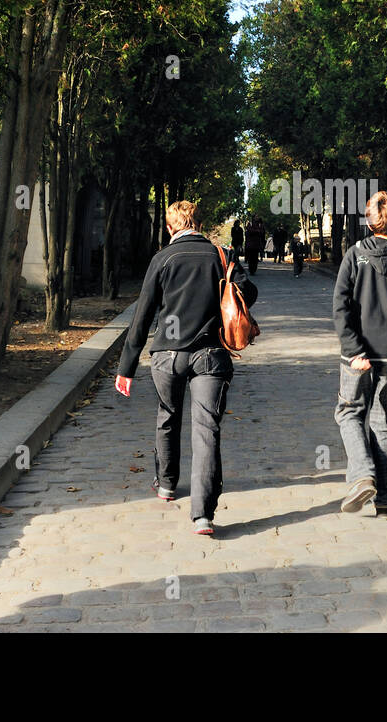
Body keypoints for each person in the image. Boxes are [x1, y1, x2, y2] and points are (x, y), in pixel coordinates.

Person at [115, 200, 257, 536]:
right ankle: (202, 515)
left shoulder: (162, 258)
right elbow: (249, 292)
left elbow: (143, 316)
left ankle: (166, 484)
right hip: (210, 353)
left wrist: (127, 367)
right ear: (198, 222)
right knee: (206, 428)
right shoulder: (222, 255)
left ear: (169, 227)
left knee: (168, 415)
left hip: (168, 354)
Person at [331, 191, 387, 516]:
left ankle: (362, 474)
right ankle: (384, 499)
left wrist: (354, 348)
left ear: (369, 222)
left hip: (358, 354)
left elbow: (340, 306)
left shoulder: (356, 255)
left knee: (349, 413)